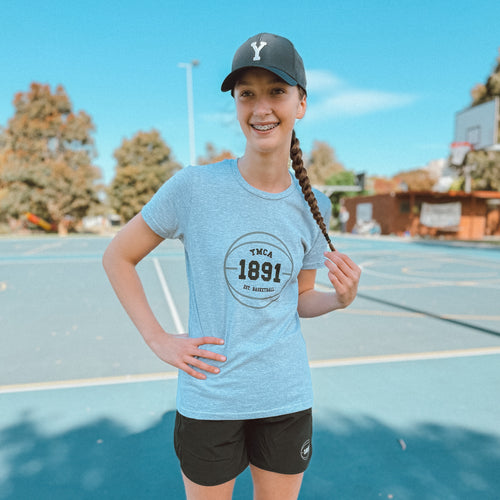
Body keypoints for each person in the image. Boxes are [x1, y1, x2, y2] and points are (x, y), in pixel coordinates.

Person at [103, 32, 361, 500]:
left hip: (285, 397)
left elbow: (301, 299)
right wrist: (158, 338)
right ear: (237, 105)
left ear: (300, 103)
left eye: (276, 91)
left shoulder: (314, 204)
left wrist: (340, 300)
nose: (261, 108)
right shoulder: (193, 188)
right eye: (247, 94)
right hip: (211, 398)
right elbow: (117, 255)